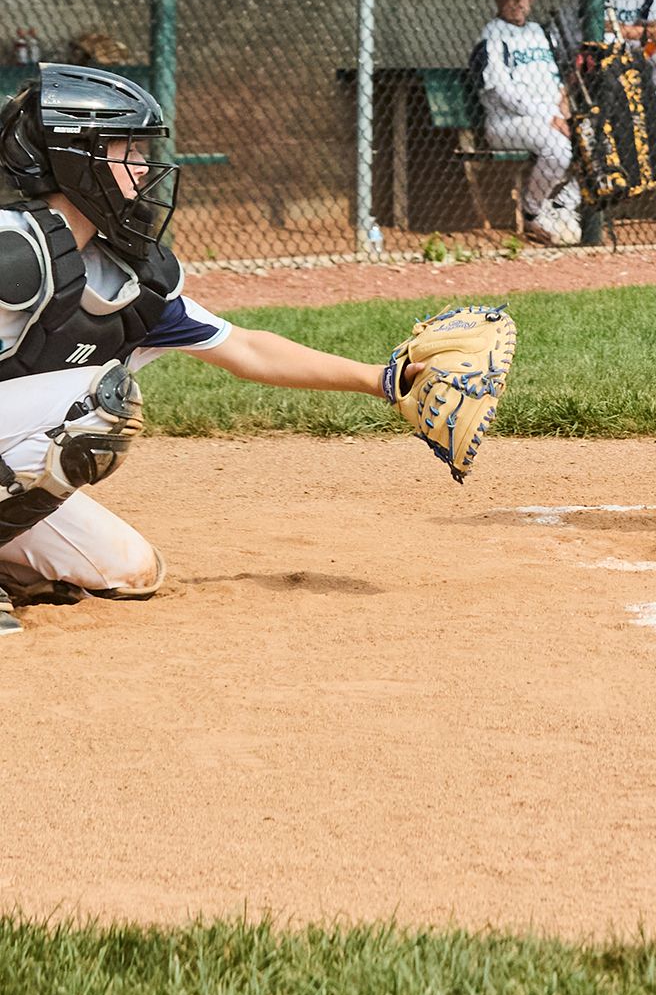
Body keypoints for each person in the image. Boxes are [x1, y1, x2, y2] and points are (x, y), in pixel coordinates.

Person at [0, 66, 500, 636]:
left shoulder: (129, 279)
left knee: (131, 571)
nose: (143, 167)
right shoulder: (11, 248)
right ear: (75, 159)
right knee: (99, 404)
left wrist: (386, 379)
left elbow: (248, 350)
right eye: (125, 151)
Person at [473, 0, 580, 247]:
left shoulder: (538, 32)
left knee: (596, 138)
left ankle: (561, 207)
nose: (519, 0)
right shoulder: (492, 35)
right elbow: (503, 94)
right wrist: (549, 117)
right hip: (506, 122)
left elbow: (558, 80)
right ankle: (532, 212)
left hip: (547, 119)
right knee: (558, 148)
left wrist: (564, 112)